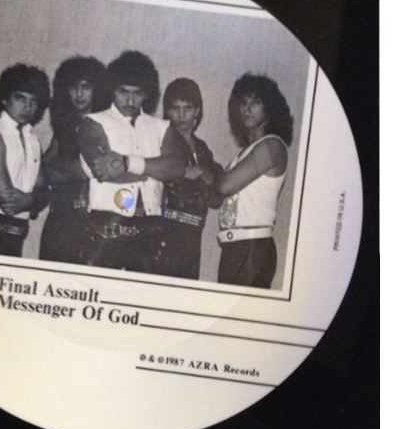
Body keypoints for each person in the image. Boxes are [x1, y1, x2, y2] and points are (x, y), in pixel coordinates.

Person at [77, 50, 186, 274]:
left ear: (147, 94)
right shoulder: (94, 122)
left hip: (151, 231)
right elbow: (103, 169)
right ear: (112, 89)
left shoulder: (162, 127)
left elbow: (177, 168)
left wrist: (126, 163)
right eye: (123, 92)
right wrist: (154, 170)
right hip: (106, 229)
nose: (129, 101)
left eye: (137, 94)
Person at [214, 73, 294, 288]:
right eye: (243, 102)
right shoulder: (244, 153)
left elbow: (224, 185)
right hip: (235, 247)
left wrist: (208, 173)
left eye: (255, 102)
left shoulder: (272, 145)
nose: (247, 109)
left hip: (252, 247)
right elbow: (217, 193)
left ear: (269, 108)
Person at [0, 63, 50, 257]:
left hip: (17, 236)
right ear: (5, 98)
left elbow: (44, 191)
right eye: (20, 98)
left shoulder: (33, 140)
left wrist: (32, 199)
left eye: (33, 101)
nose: (27, 107)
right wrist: (35, 200)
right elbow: (8, 200)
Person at [39, 55, 109, 264]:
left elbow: (88, 171)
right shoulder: (64, 126)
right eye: (73, 87)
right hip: (59, 217)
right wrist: (67, 169)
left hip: (89, 220)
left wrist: (58, 166)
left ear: (97, 90)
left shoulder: (105, 126)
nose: (79, 94)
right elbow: (43, 168)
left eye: (85, 87)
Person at [157, 78, 223, 280]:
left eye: (187, 108)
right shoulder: (160, 142)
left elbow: (216, 198)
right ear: (167, 111)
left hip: (193, 234)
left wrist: (202, 172)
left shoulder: (202, 149)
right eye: (175, 108)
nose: (181, 115)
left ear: (197, 111)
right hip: (164, 232)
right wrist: (186, 173)